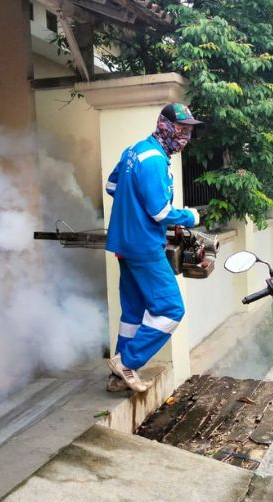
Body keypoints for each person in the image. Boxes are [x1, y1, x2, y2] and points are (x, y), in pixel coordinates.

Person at [103, 103, 203, 392]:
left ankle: (117, 378)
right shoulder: (155, 161)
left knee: (133, 311)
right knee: (171, 309)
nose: (184, 137)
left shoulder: (134, 150)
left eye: (188, 131)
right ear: (165, 125)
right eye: (181, 129)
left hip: (123, 243)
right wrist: (190, 216)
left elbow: (112, 187)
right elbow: (160, 212)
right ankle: (127, 363)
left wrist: (131, 208)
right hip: (144, 245)